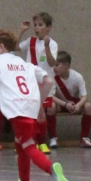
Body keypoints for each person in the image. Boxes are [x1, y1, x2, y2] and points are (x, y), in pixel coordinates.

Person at [0, 29, 71, 181]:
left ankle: (51, 169)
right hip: (29, 107)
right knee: (20, 145)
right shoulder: (25, 63)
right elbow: (48, 81)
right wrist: (38, 104)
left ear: (1, 47)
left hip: (17, 109)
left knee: (28, 146)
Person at [17, 12, 59, 152]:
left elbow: (52, 63)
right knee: (32, 112)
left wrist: (46, 46)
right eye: (35, 25)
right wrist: (21, 31)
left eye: (40, 25)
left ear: (48, 27)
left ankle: (42, 141)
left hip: (45, 84)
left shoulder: (52, 44)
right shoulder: (30, 41)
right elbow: (15, 47)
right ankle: (32, 141)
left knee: (42, 113)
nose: (37, 27)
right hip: (31, 82)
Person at [52, 50, 91, 148]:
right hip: (61, 104)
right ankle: (53, 138)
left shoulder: (77, 77)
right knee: (51, 106)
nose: (54, 68)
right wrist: (65, 104)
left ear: (66, 65)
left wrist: (78, 105)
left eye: (57, 65)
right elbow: (51, 96)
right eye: (53, 65)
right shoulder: (53, 78)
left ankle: (84, 138)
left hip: (74, 104)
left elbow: (84, 96)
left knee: (88, 106)